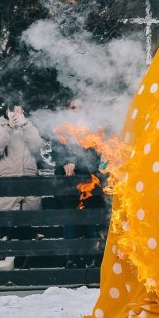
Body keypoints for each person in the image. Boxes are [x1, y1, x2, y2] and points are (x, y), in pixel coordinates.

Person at [51, 99, 109, 268]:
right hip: (68, 185)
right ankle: (72, 260)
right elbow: (56, 152)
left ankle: (91, 259)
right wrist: (66, 162)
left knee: (90, 222)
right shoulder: (60, 129)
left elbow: (94, 157)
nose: (77, 110)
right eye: (73, 107)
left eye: (80, 107)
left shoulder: (93, 130)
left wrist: (76, 163)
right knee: (70, 222)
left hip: (89, 183)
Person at [0, 103, 45, 224]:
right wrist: (9, 127)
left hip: (28, 181)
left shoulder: (29, 128)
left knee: (27, 226)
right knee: (5, 226)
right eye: (12, 110)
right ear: (6, 111)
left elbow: (38, 146)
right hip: (6, 182)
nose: (15, 113)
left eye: (18, 110)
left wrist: (25, 124)